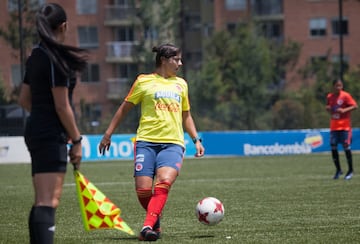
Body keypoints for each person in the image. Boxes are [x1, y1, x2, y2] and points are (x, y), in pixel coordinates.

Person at [99, 43, 205, 241]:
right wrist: (107, 134)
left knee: (163, 182)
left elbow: (186, 115)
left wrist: (196, 140)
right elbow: (124, 109)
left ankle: (147, 226)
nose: (180, 64)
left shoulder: (181, 84)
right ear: (163, 60)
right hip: (146, 142)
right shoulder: (143, 81)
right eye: (177, 60)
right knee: (143, 191)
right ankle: (155, 220)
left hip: (173, 143)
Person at [18, 3, 88, 244]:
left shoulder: (36, 54)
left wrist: (44, 116)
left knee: (41, 200)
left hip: (36, 130)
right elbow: (62, 105)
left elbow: (24, 99)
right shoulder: (54, 58)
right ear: (64, 26)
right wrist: (76, 139)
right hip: (49, 134)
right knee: (49, 201)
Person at [326, 79, 357, 180]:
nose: (338, 88)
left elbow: (355, 106)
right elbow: (329, 107)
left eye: (340, 86)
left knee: (346, 146)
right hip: (334, 126)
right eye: (336, 86)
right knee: (333, 146)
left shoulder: (345, 96)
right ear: (333, 86)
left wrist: (344, 110)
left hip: (344, 126)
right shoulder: (329, 96)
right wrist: (328, 109)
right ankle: (338, 170)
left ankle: (350, 170)